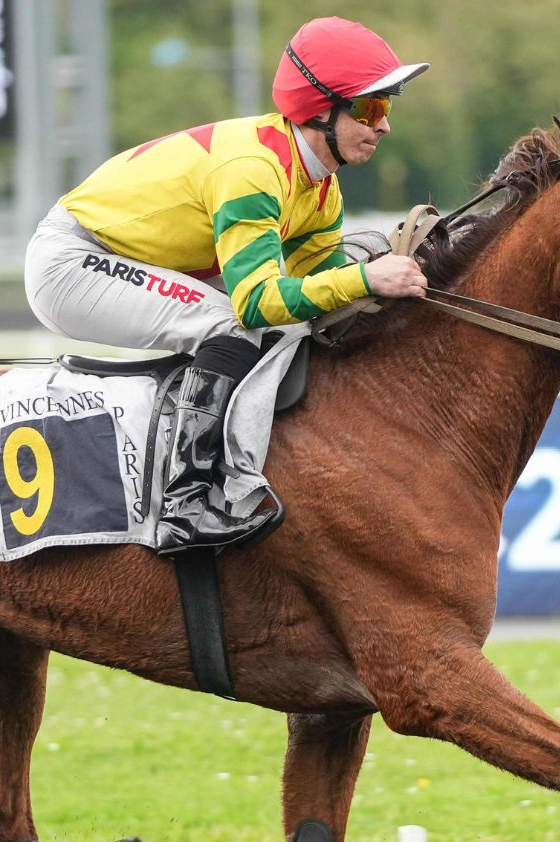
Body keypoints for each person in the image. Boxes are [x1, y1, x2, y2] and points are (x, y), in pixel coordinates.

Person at [23, 16, 430, 553]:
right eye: (371, 107)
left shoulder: (321, 187)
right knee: (230, 324)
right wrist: (362, 276)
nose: (383, 126)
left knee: (280, 328)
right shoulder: (255, 168)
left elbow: (314, 293)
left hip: (121, 258)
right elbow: (259, 301)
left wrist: (374, 267)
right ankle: (184, 504)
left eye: (387, 109)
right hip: (71, 261)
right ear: (319, 107)